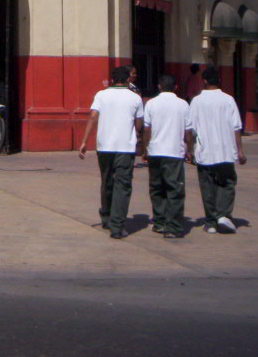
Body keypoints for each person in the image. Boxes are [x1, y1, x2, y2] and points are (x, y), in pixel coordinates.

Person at [78, 65, 144, 239]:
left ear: (113, 79)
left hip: (104, 146)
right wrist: (138, 137)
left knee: (107, 181)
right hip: (125, 147)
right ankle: (117, 226)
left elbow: (93, 116)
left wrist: (84, 141)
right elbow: (138, 123)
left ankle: (106, 217)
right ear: (128, 79)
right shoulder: (135, 98)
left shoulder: (101, 95)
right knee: (122, 185)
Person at [188, 66, 247, 234]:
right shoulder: (228, 100)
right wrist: (240, 151)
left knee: (208, 186)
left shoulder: (197, 101)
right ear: (218, 80)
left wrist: (190, 150)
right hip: (226, 152)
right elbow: (237, 127)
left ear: (204, 81)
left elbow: (190, 128)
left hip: (205, 152)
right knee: (227, 183)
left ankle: (211, 221)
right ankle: (224, 215)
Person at [142, 74, 192, 238]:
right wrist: (189, 149)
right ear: (176, 87)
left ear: (159, 86)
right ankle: (173, 226)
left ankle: (159, 222)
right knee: (174, 189)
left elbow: (146, 130)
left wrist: (145, 149)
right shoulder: (183, 105)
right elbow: (187, 131)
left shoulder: (151, 104)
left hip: (155, 151)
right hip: (174, 153)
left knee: (157, 188)